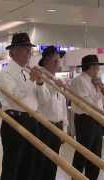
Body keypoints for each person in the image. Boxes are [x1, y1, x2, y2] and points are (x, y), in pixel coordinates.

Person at [0, 32, 47, 180]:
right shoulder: (6, 73)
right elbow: (14, 97)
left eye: (29, 49)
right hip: (14, 120)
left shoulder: (28, 70)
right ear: (13, 52)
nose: (29, 52)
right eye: (25, 48)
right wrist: (31, 81)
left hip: (32, 120)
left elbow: (42, 100)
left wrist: (39, 83)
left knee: (30, 165)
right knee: (12, 165)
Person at [33, 46, 68, 180]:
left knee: (53, 164)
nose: (59, 63)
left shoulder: (55, 79)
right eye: (56, 61)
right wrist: (55, 87)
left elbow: (62, 106)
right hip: (44, 126)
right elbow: (42, 101)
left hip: (57, 127)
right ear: (47, 61)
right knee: (41, 164)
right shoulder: (39, 76)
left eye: (58, 61)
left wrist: (64, 128)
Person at [70, 54, 104, 180]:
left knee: (96, 156)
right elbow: (87, 104)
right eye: (96, 67)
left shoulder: (94, 81)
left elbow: (99, 102)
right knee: (83, 154)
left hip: (96, 120)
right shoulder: (79, 81)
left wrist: (98, 88)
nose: (98, 70)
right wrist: (97, 89)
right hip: (85, 120)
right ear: (90, 67)